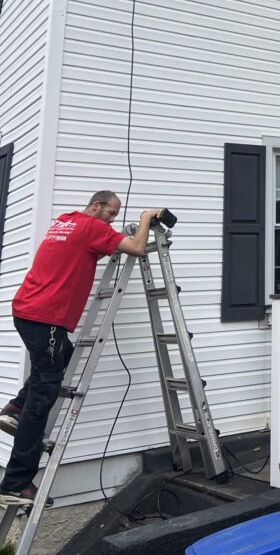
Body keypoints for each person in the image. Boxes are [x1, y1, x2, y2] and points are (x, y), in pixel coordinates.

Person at [0, 190, 164, 502]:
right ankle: (16, 482)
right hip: (46, 318)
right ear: (97, 204)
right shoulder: (93, 229)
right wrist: (144, 219)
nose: (113, 219)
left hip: (27, 311)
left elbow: (77, 254)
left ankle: (15, 407)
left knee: (63, 355)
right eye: (111, 213)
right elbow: (137, 248)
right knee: (43, 395)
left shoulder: (64, 223)